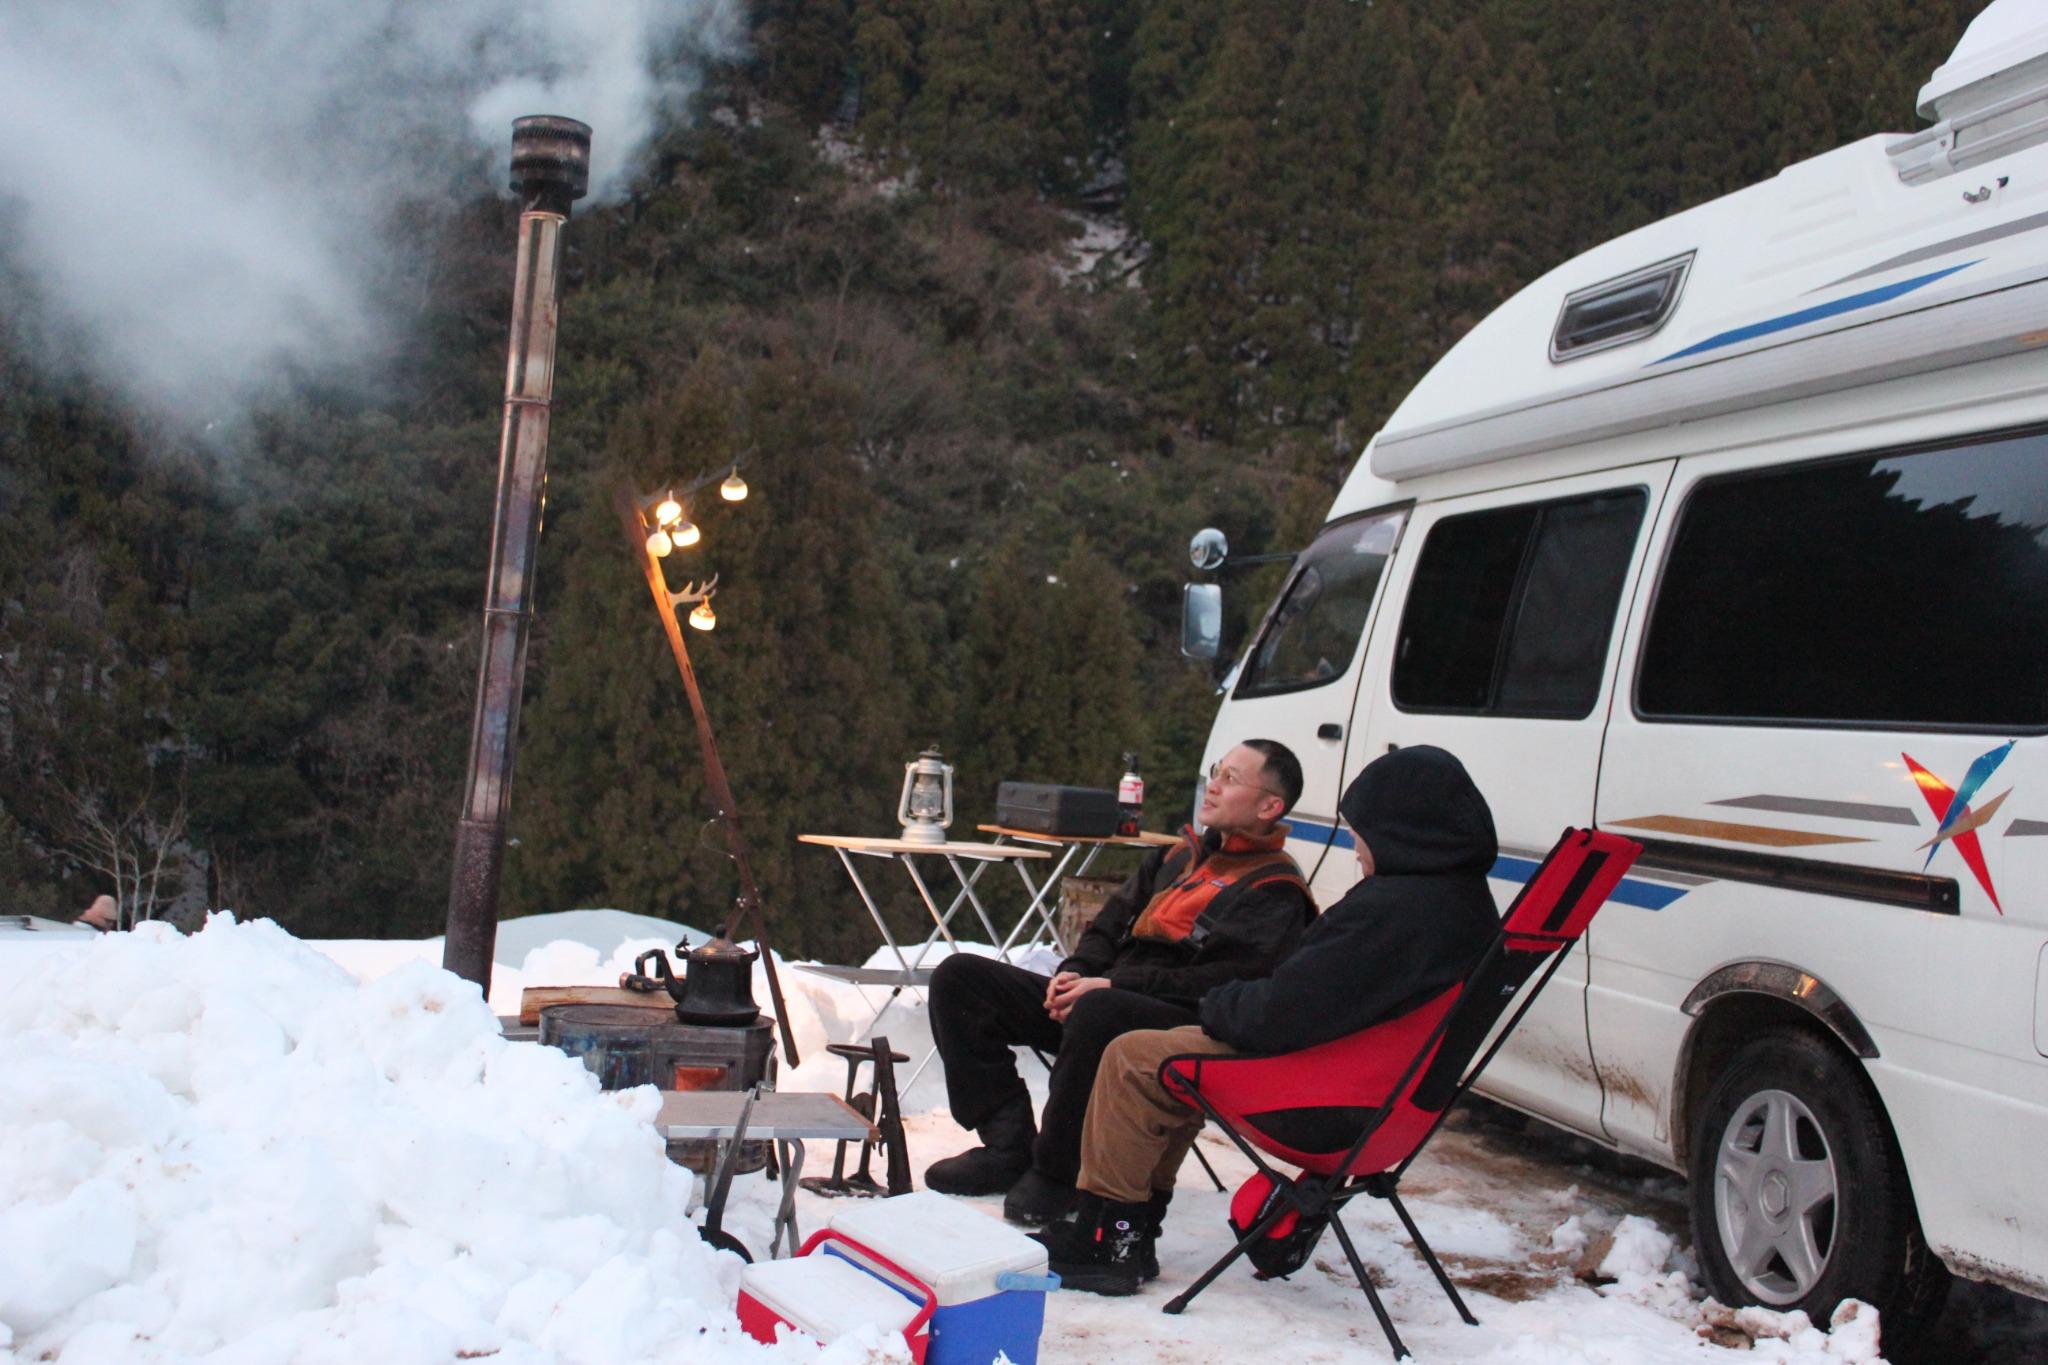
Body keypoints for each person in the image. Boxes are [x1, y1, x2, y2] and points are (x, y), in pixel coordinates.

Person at [1037, 745, 1501, 1294]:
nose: (1356, 847)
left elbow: (1284, 1009)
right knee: (1163, 1048)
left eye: (1363, 831)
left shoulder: (1393, 908)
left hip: (1326, 1100)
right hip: (1392, 1106)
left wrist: (1218, 1005)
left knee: (1135, 1058)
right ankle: (1131, 1228)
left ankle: (1106, 1238)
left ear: (1405, 831)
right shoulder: (1463, 905)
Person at [924, 739, 1316, 1225]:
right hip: (1103, 996)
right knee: (960, 978)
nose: (1212, 785)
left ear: (1269, 806)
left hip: (1172, 1024)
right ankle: (1008, 1147)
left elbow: (1222, 984)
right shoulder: (1178, 856)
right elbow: (1111, 924)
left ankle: (1057, 1171)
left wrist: (1114, 989)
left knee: (1099, 1012)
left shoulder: (1275, 890)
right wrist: (1078, 972)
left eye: (1231, 779)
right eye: (1216, 771)